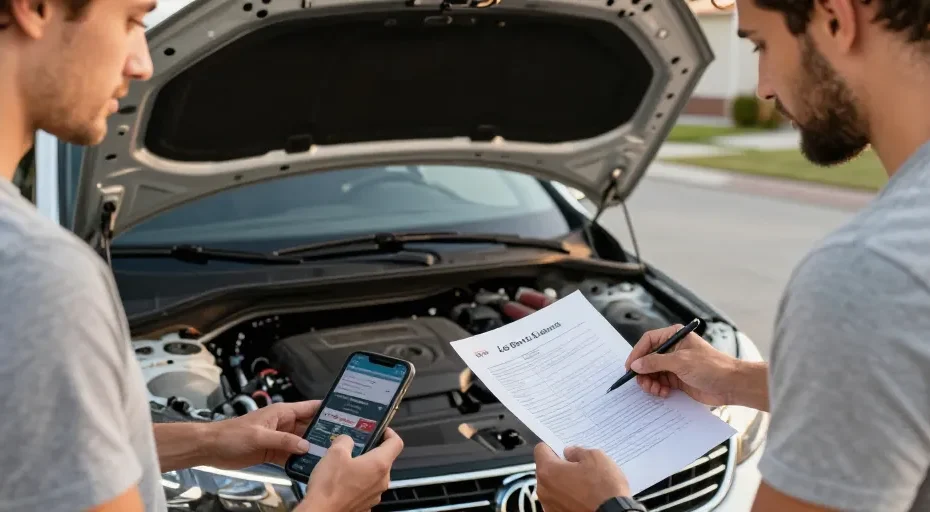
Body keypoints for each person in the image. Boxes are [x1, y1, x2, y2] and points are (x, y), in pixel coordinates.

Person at [0, 0, 402, 511]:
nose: (142, 63)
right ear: (34, 8)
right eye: (131, 21)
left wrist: (210, 439)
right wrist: (329, 505)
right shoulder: (40, 274)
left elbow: (33, 455)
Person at [533, 0, 930, 511]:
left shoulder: (870, 273)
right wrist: (732, 380)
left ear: (836, 18)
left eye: (761, 44)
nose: (763, 87)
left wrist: (605, 507)